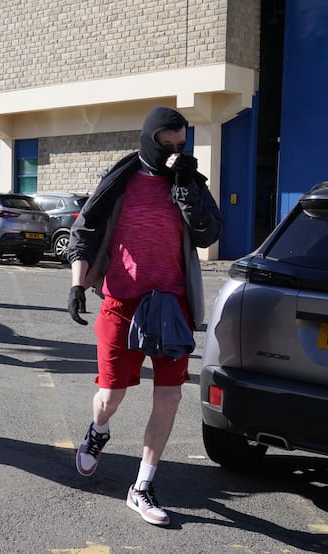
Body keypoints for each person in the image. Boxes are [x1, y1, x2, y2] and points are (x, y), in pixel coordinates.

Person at [66, 107, 223, 526]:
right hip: (123, 301)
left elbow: (210, 233)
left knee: (169, 396)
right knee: (110, 397)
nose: (173, 154)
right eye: (165, 145)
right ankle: (98, 432)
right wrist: (78, 286)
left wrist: (187, 186)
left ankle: (143, 486)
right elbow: (84, 231)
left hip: (172, 305)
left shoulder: (188, 183)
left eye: (180, 146)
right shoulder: (120, 181)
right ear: (148, 139)